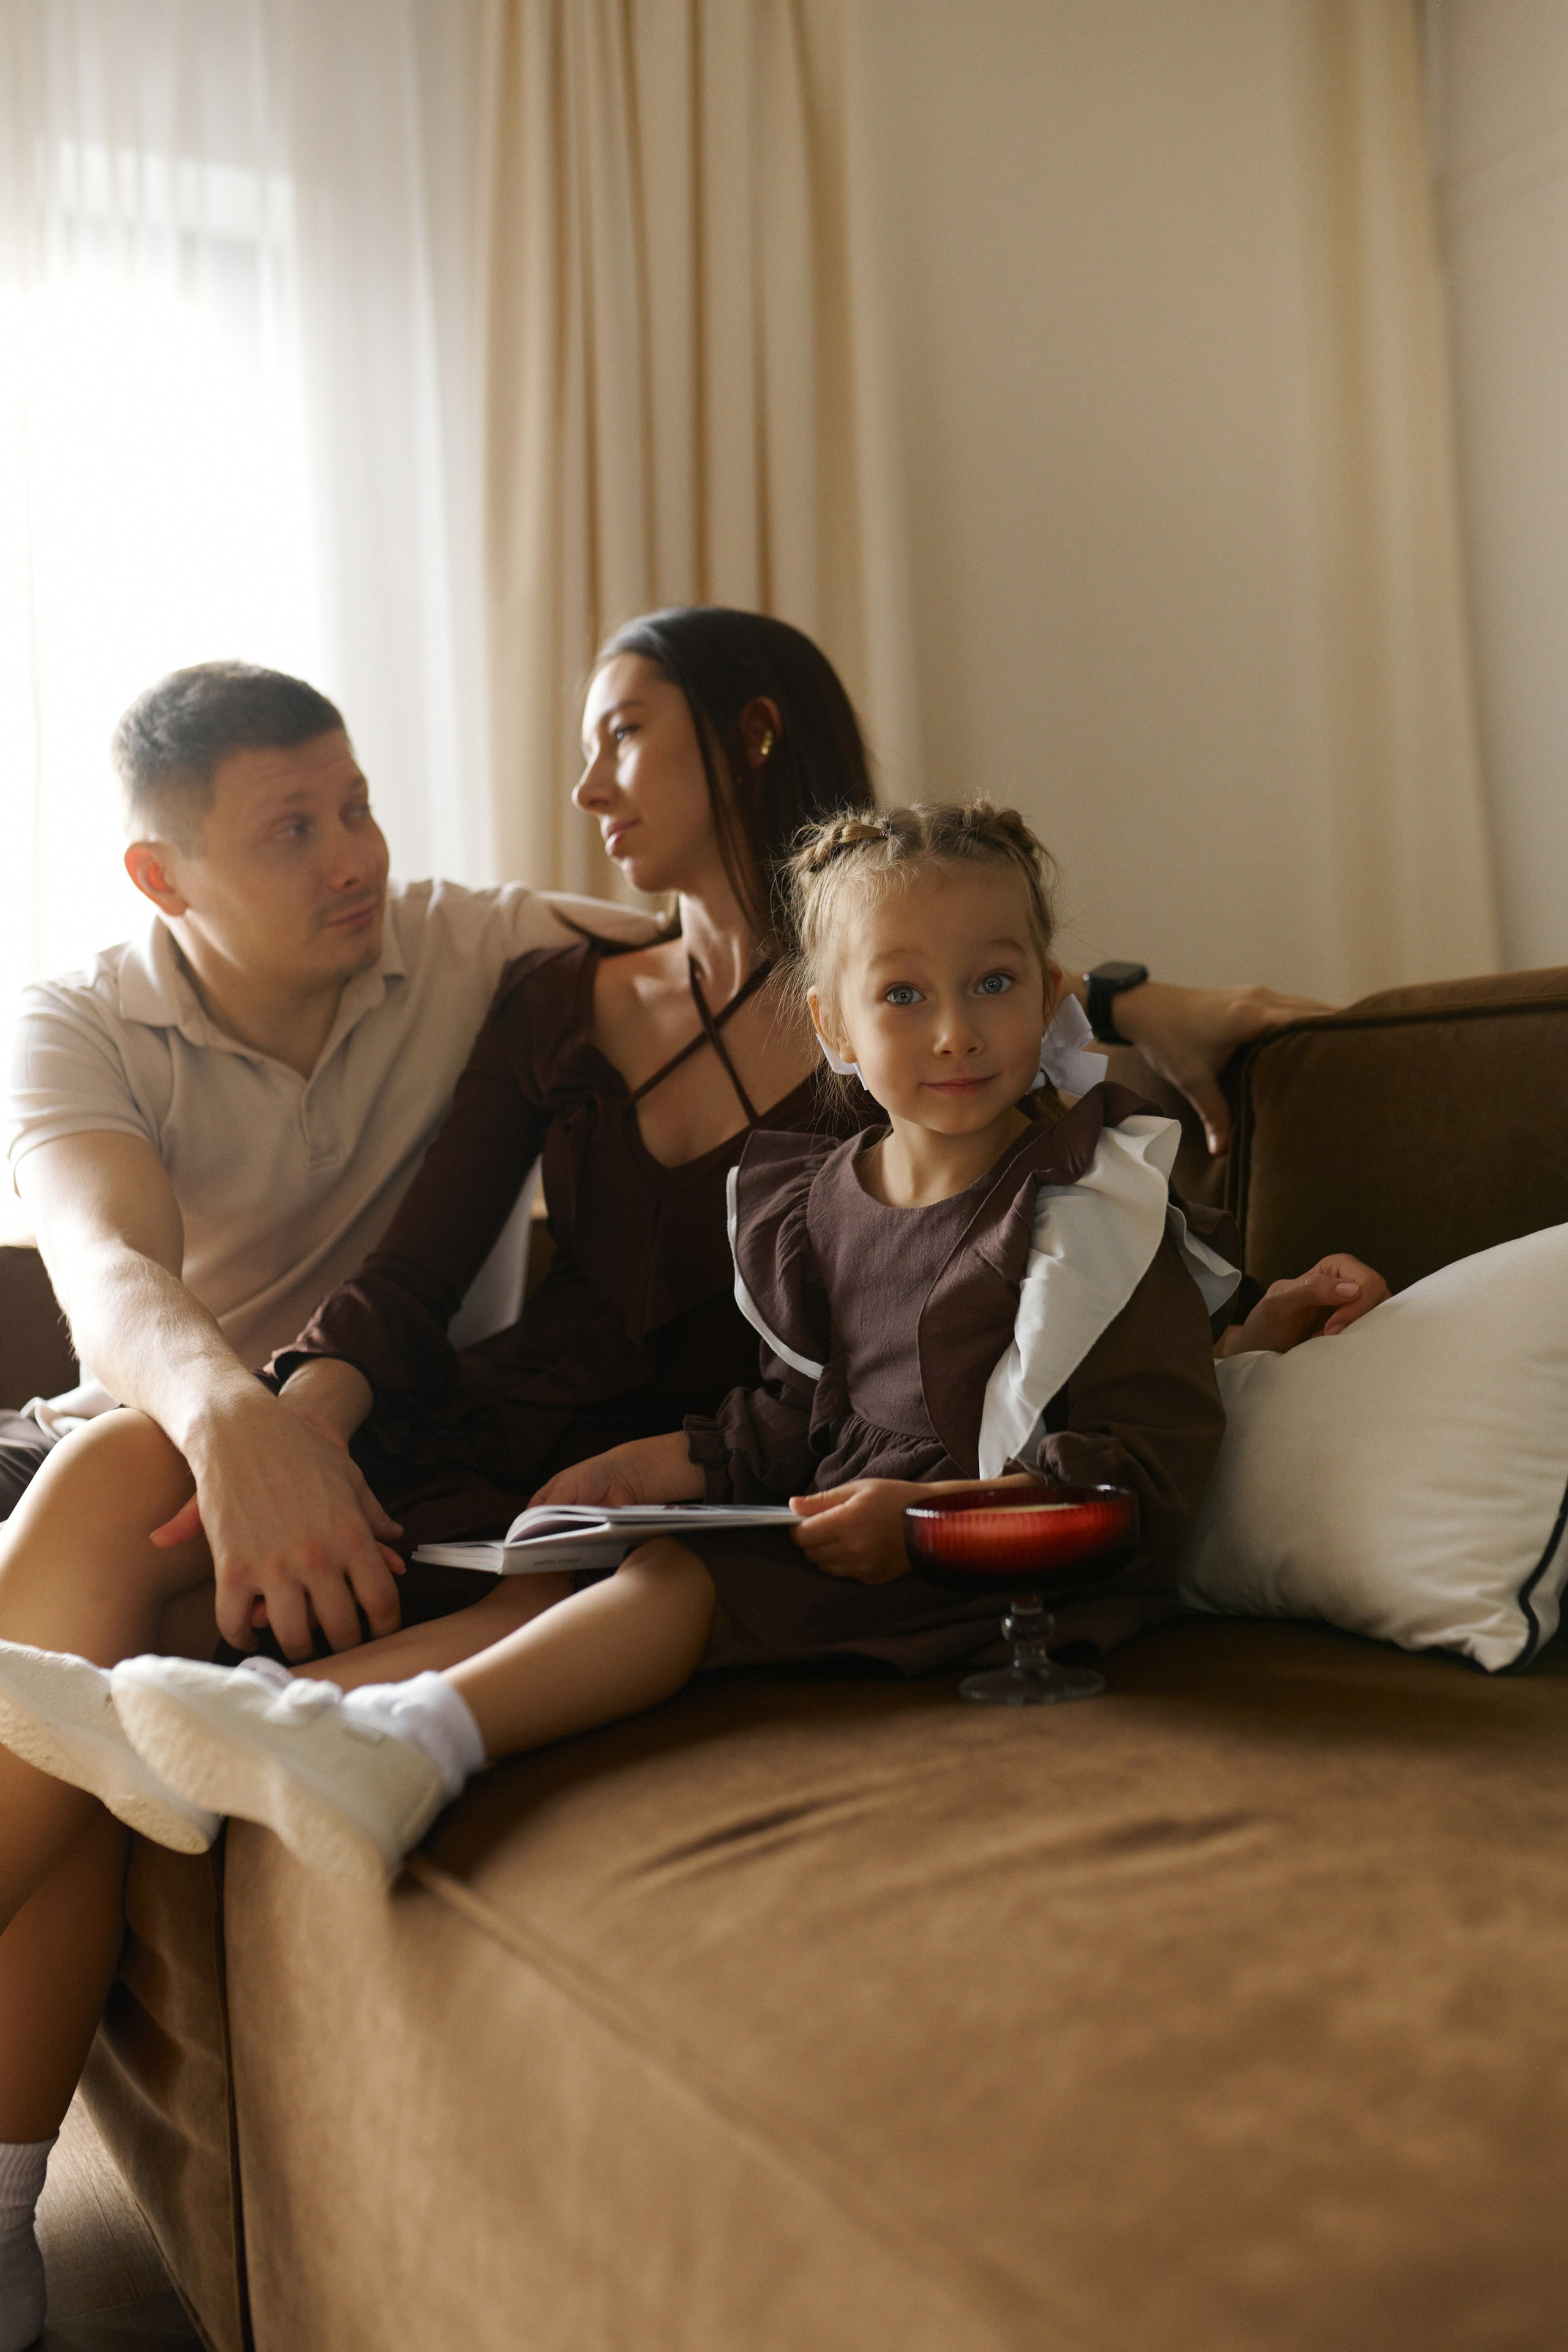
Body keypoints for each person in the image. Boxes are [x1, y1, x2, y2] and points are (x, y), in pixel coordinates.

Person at [0, 616, 1382, 2352]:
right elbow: (402, 1284)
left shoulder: (883, 1008)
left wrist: (1193, 1143)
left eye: (621, 741)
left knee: (538, 1567)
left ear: (742, 741)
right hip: (501, 1431)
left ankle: (222, 1739)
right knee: (98, 1510)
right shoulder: (548, 982)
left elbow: (1038, 1152)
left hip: (695, 1474)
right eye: (304, 826)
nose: (579, 790)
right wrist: (291, 1420)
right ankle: (164, 1752)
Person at [83, 799, 1250, 1896]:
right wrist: (670, 1465)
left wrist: (932, 1521)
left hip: (1010, 1571)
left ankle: (418, 1744)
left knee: (677, 1577)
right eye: (904, 996)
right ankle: (254, 1726)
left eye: (994, 985)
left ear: (1050, 996)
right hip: (850, 1541)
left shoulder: (1095, 1204)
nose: (954, 1031)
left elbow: (1144, 1466)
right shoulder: (824, 1201)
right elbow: (804, 1418)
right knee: (590, 1548)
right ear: (833, 1026)